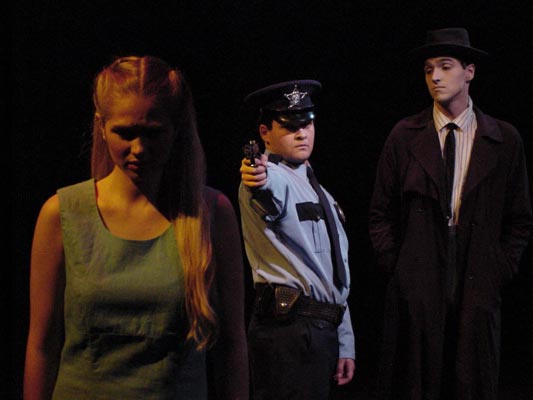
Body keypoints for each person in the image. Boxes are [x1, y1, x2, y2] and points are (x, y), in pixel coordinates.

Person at [23, 55, 249, 400]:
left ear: (176, 129)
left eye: (153, 133)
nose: (139, 149)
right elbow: (42, 345)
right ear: (101, 126)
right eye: (125, 133)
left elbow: (232, 345)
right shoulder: (62, 214)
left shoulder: (210, 214)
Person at [369, 28, 532, 400]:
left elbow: (519, 217)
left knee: (471, 378)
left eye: (445, 67)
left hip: (476, 274)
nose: (435, 77)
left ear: (469, 72)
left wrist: (499, 268)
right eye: (428, 69)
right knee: (418, 378)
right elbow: (380, 212)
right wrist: (399, 267)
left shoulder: (503, 139)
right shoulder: (405, 136)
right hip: (420, 276)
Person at [238, 80, 355, 399]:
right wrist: (256, 177)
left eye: (307, 124)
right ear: (265, 133)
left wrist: (345, 340)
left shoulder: (322, 193)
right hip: (288, 330)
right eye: (290, 126)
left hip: (321, 329)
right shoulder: (273, 176)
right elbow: (264, 189)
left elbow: (333, 273)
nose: (302, 133)